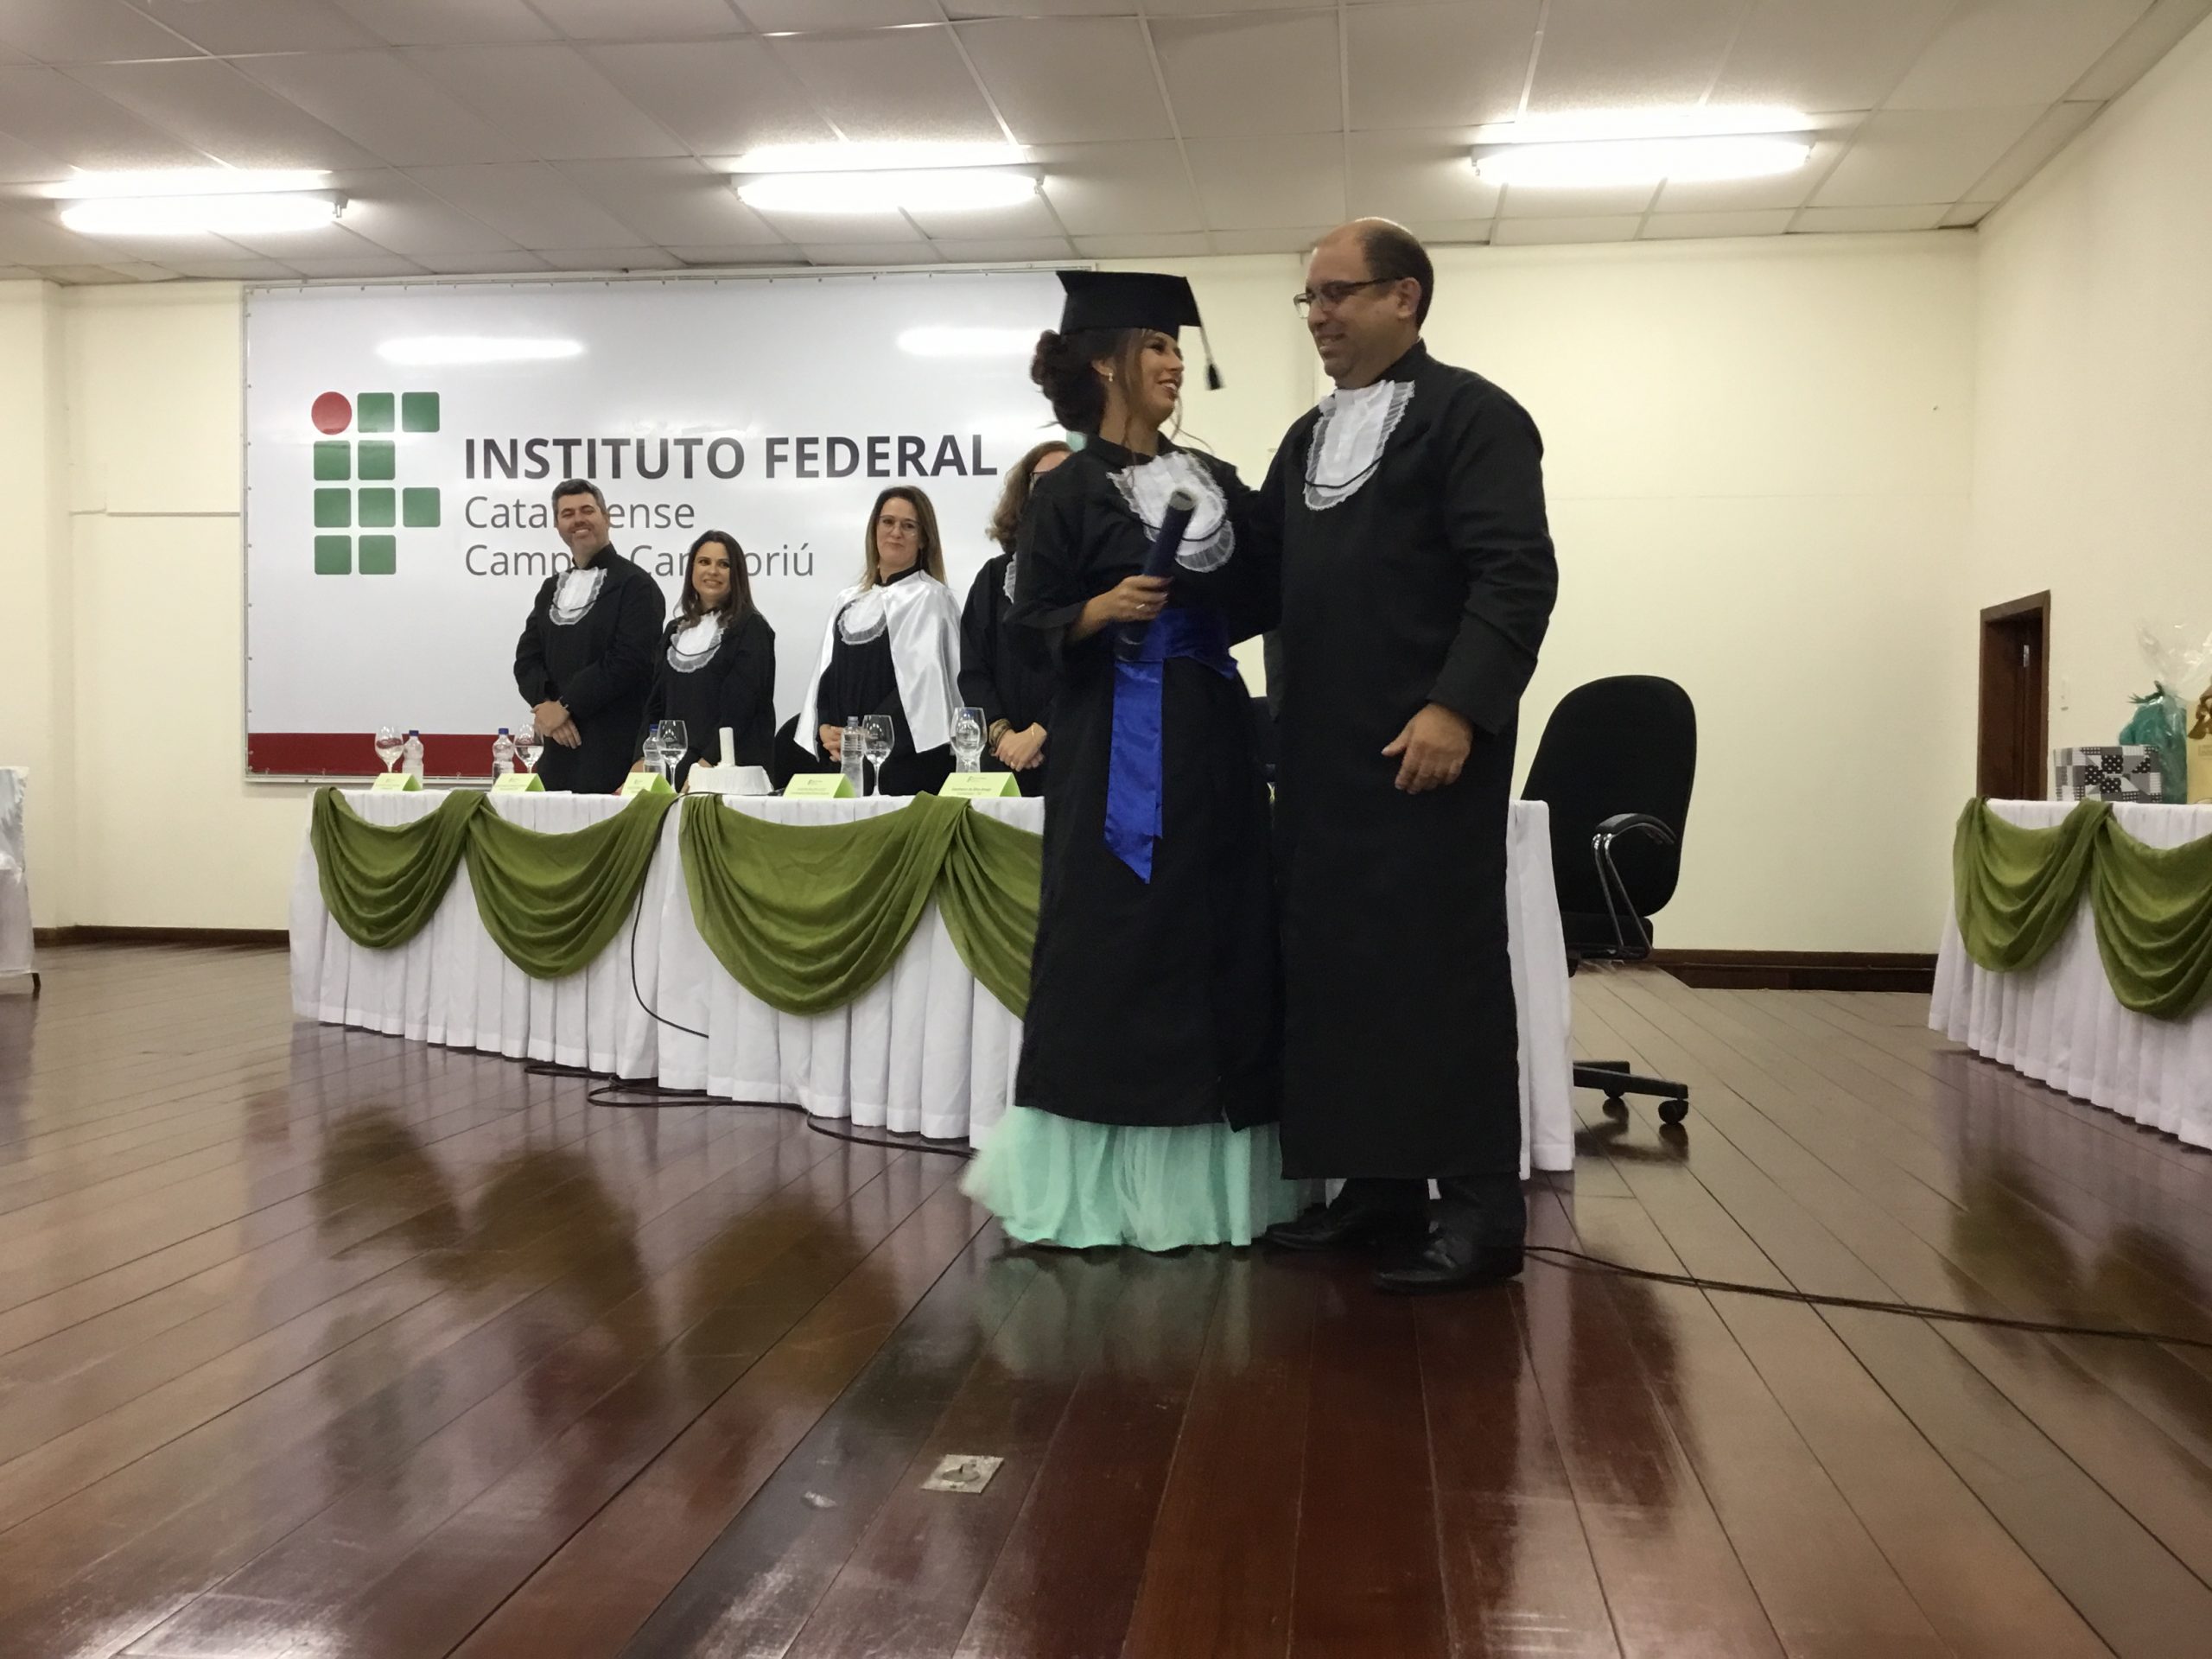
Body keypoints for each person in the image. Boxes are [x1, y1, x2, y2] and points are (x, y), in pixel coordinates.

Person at [960, 270, 1309, 1251]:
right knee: (1119, 933)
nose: (1174, 363)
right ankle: (1101, 1190)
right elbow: (1023, 627)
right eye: (1156, 346)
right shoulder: (1066, 491)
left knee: (1223, 927)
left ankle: (1218, 1181)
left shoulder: (1213, 479)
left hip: (1213, 732)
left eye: (1177, 348)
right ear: (1108, 363)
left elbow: (1269, 584)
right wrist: (1095, 611)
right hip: (1114, 739)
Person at [1257, 219, 1559, 1293]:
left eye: (1337, 293)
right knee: (1339, 974)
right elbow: (1260, 580)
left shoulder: (1473, 416)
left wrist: (1457, 708)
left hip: (1427, 758)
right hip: (1322, 766)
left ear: (1405, 297)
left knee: (1440, 977)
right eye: (1309, 297)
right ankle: (1375, 1191)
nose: (1319, 315)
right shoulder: (1303, 441)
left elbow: (1515, 574)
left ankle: (1480, 1214)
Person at [797, 487, 963, 797]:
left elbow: (925, 687)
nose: (895, 532)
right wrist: (826, 728)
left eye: (908, 526)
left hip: (903, 765)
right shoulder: (847, 600)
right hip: (843, 758)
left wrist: (870, 734)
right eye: (887, 522)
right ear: (874, 530)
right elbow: (827, 676)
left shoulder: (932, 598)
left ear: (923, 539)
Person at [514, 479, 666, 793]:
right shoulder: (550, 589)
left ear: (606, 517)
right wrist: (545, 705)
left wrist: (565, 706)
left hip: (615, 749)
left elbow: (629, 660)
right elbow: (526, 659)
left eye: (587, 510)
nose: (578, 519)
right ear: (557, 526)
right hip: (557, 750)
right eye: (567, 514)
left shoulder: (637, 586)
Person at [959, 440, 1071, 796]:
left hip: (1073, 756)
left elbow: (1094, 670)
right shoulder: (993, 577)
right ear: (1025, 492)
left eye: (1068, 478)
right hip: (1001, 758)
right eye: (1043, 480)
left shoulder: (1096, 579)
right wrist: (1004, 734)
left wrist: (1039, 733)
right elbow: (973, 669)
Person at [632, 530, 776, 789]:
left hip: (725, 770)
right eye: (704, 562)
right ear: (692, 570)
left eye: (724, 564)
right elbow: (655, 705)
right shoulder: (674, 631)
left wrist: (705, 766)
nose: (712, 571)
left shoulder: (751, 628)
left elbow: (741, 709)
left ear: (737, 574)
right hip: (673, 767)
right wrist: (644, 758)